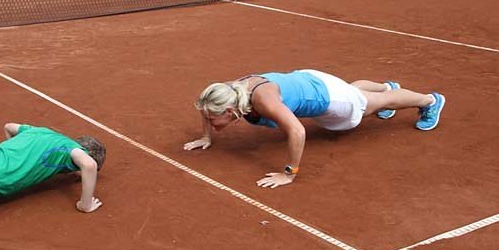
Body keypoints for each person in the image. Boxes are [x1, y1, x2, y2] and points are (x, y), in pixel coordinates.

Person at [183, 69, 445, 189]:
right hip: (312, 80)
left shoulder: (264, 100)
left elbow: (297, 131)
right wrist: (206, 136)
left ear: (230, 111)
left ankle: (429, 101)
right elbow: (206, 106)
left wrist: (289, 174)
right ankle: (385, 87)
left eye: (213, 119)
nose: (210, 120)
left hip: (330, 99)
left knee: (370, 104)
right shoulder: (229, 91)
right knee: (357, 93)